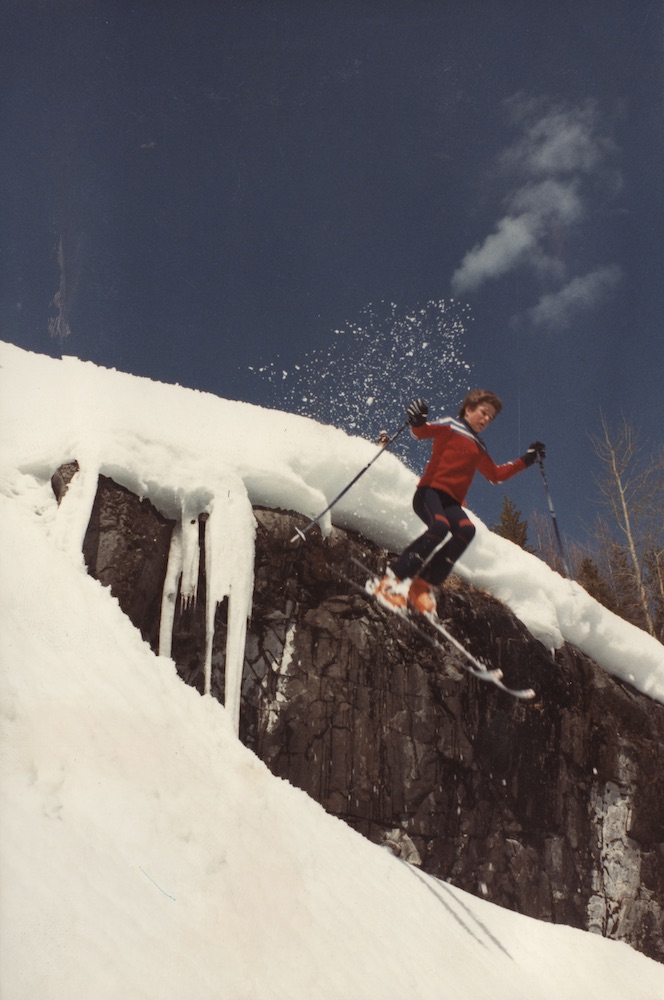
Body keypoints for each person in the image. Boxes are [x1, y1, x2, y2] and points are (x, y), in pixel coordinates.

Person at [375, 390, 545, 615]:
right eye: (483, 413)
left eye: (490, 418)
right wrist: (417, 419)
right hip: (430, 492)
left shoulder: (479, 446)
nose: (486, 420)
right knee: (440, 526)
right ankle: (390, 581)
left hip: (452, 502)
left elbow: (496, 475)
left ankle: (421, 588)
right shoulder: (450, 426)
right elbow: (421, 432)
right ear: (468, 409)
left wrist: (527, 460)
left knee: (467, 530)